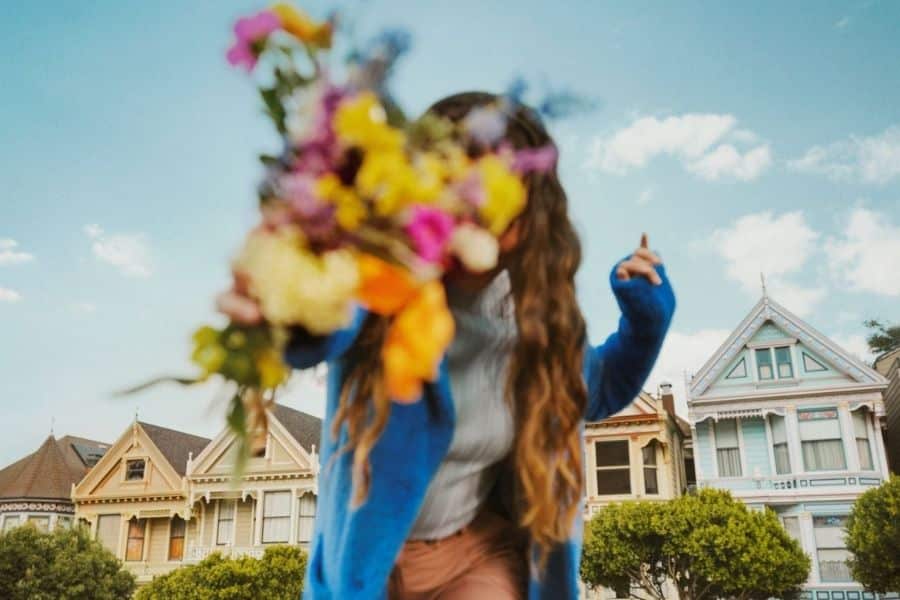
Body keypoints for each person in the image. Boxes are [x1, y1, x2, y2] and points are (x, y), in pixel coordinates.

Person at [218, 91, 675, 600]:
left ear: (527, 219)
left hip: (477, 556)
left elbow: (601, 387)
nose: (471, 209)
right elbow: (323, 323)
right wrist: (283, 300)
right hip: (370, 563)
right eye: (455, 184)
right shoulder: (384, 282)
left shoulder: (537, 324)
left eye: (495, 193)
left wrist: (645, 314)